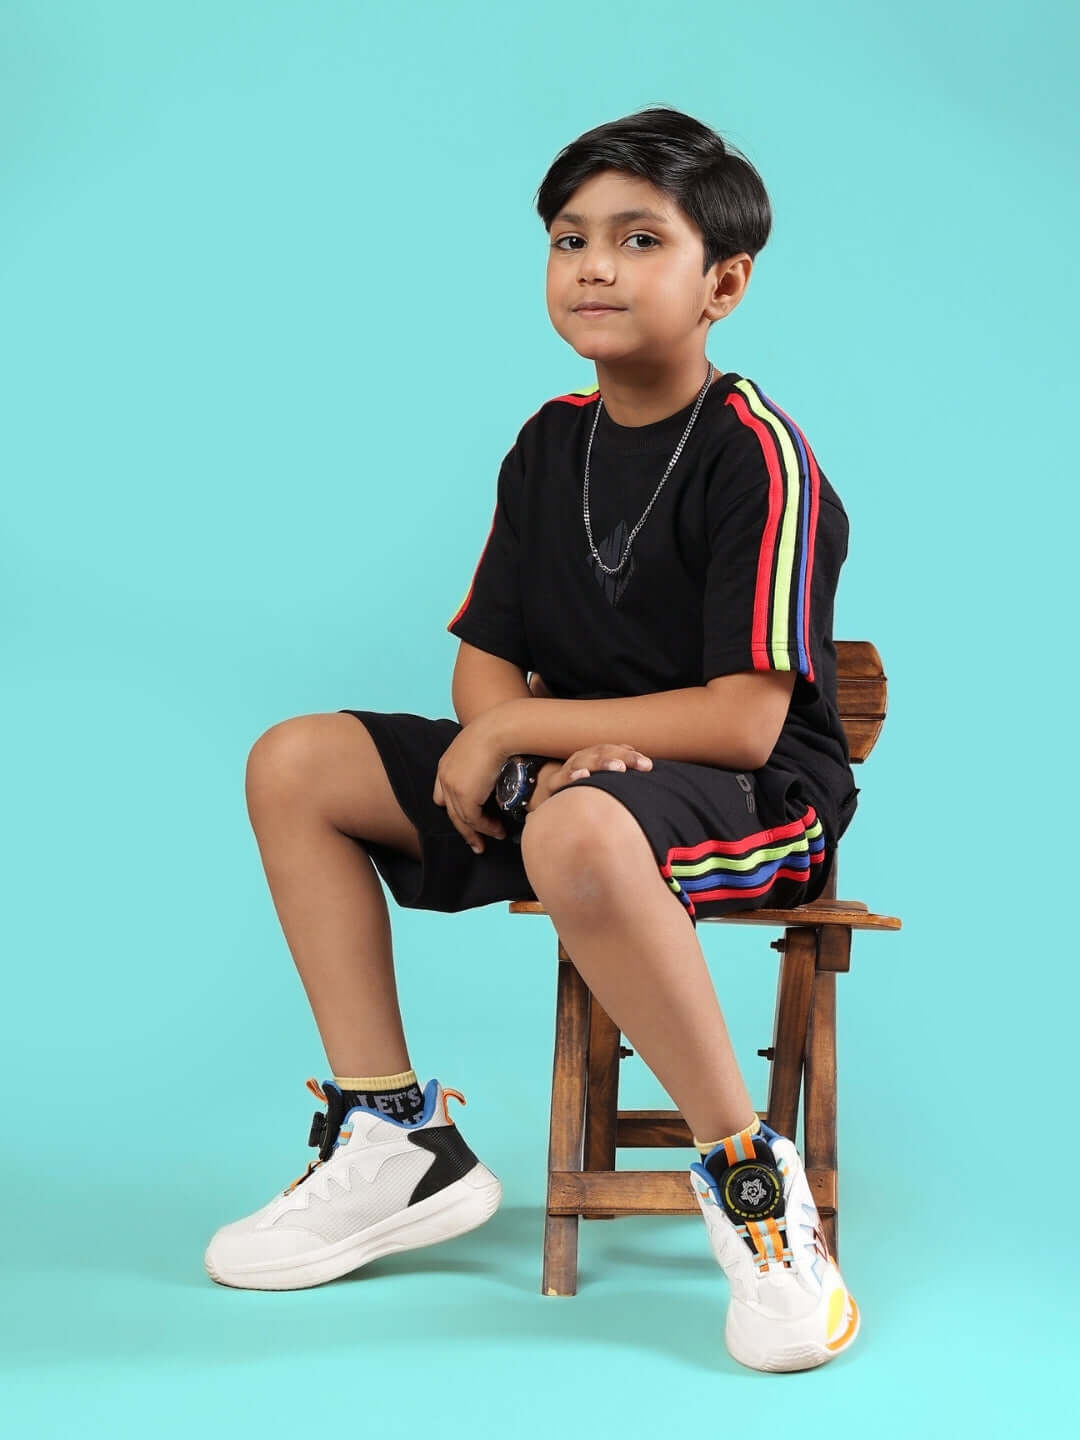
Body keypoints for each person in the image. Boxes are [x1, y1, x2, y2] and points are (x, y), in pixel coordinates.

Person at [204, 105, 861, 1372]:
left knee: (578, 826)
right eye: (570, 239)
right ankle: (394, 1139)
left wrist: (522, 732)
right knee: (298, 762)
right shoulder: (551, 440)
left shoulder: (759, 457)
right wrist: (524, 744)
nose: (595, 266)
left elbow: (742, 720)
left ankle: (753, 1188)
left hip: (749, 795)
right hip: (568, 784)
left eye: (638, 239)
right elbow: (488, 651)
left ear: (724, 283)